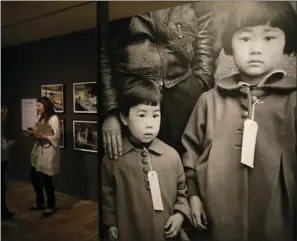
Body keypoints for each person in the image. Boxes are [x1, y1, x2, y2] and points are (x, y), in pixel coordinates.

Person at [181, 2, 297, 241]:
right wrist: (192, 197)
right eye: (245, 38)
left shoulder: (294, 101)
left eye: (269, 38)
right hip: (217, 220)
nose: (255, 49)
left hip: (279, 222)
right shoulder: (209, 101)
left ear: (287, 42)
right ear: (230, 44)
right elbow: (190, 153)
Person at [100, 2, 217, 159]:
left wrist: (201, 82)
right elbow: (103, 49)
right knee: (131, 172)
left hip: (183, 95)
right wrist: (111, 110)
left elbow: (205, 37)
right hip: (131, 95)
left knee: (182, 169)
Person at [101, 78, 191, 241]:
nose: (150, 124)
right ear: (124, 118)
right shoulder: (113, 158)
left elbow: (182, 192)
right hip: (129, 232)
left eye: (155, 115)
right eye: (142, 115)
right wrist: (111, 223)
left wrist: (179, 215)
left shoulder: (171, 155)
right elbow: (107, 194)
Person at [25, 97, 61, 218]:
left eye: (39, 106)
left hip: (48, 152)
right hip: (39, 150)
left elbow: (56, 138)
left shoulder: (54, 118)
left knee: (46, 179)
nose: (37, 108)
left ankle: (51, 205)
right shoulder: (40, 117)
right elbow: (37, 130)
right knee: (34, 176)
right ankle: (40, 203)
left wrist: (43, 135)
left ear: (46, 106)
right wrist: (33, 133)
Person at [1, 105, 16, 220]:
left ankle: (3, 210)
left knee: (3, 186)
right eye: (5, 115)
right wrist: (9, 144)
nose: (6, 117)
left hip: (3, 159)